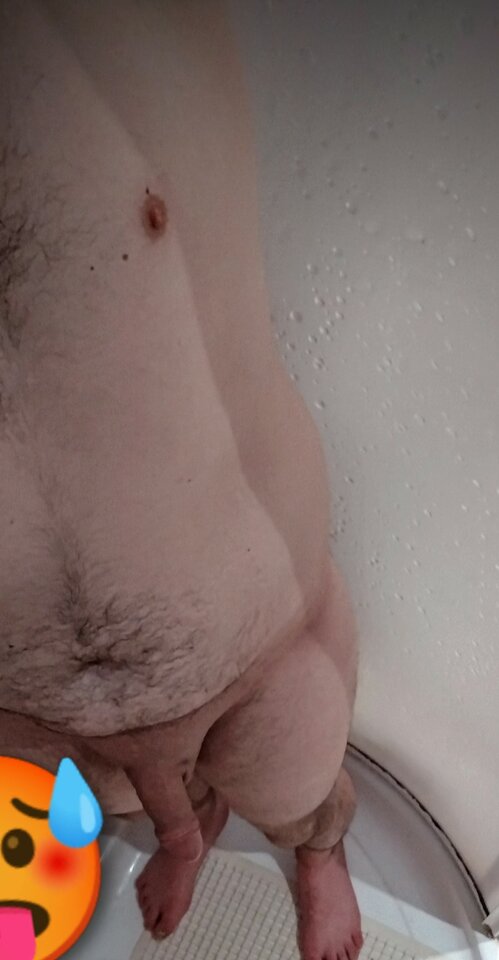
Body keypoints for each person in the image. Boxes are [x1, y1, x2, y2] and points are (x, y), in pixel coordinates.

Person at [0, 2, 363, 957]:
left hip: (257, 652)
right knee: (119, 807)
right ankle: (183, 831)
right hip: (20, 706)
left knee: (305, 797)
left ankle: (317, 855)